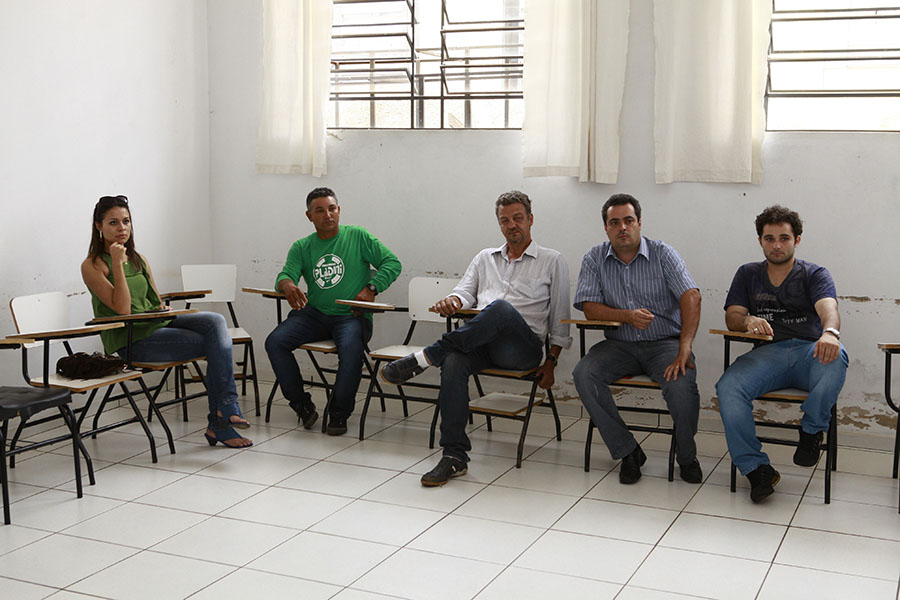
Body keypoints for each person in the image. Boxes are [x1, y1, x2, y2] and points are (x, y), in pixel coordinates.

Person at [380, 190, 572, 486]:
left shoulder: (552, 260)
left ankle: (425, 357)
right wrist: (453, 300)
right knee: (454, 361)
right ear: (499, 224)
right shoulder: (485, 258)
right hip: (480, 343)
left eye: (518, 218)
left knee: (501, 309)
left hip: (521, 349)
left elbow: (560, 318)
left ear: (530, 219)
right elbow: (464, 292)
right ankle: (454, 455)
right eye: (505, 220)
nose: (512, 225)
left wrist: (552, 362)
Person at [82, 195, 252, 448]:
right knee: (216, 343)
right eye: (113, 222)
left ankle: (225, 410)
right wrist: (117, 263)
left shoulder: (138, 259)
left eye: (126, 221)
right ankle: (221, 420)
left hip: (157, 325)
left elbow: (153, 300)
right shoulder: (92, 265)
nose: (122, 228)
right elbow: (123, 309)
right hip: (133, 340)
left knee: (216, 321)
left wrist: (161, 308)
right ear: (99, 226)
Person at [716, 205, 848, 503]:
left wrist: (830, 333)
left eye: (784, 238)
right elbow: (733, 316)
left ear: (797, 240)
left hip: (809, 352)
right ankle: (757, 469)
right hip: (768, 355)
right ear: (760, 241)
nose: (777, 245)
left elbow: (829, 307)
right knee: (728, 386)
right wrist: (747, 320)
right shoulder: (748, 273)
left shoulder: (814, 273)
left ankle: (811, 431)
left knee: (837, 356)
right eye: (770, 238)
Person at [572, 194, 703, 484]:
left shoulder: (662, 253)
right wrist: (628, 316)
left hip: (665, 344)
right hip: (619, 345)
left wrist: (685, 346)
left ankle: (686, 456)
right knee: (584, 374)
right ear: (606, 228)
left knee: (681, 386)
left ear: (639, 223)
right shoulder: (594, 258)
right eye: (614, 222)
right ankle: (628, 451)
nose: (622, 227)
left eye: (628, 220)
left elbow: (691, 296)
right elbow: (590, 308)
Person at [264, 187, 401, 436]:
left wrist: (372, 287)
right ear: (309, 216)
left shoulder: (358, 236)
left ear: (339, 210)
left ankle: (339, 412)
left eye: (332, 209)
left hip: (351, 316)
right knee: (275, 342)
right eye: (320, 210)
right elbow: (285, 275)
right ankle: (302, 405)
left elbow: (392, 263)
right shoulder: (302, 247)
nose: (327, 215)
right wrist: (287, 285)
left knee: (351, 350)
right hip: (314, 314)